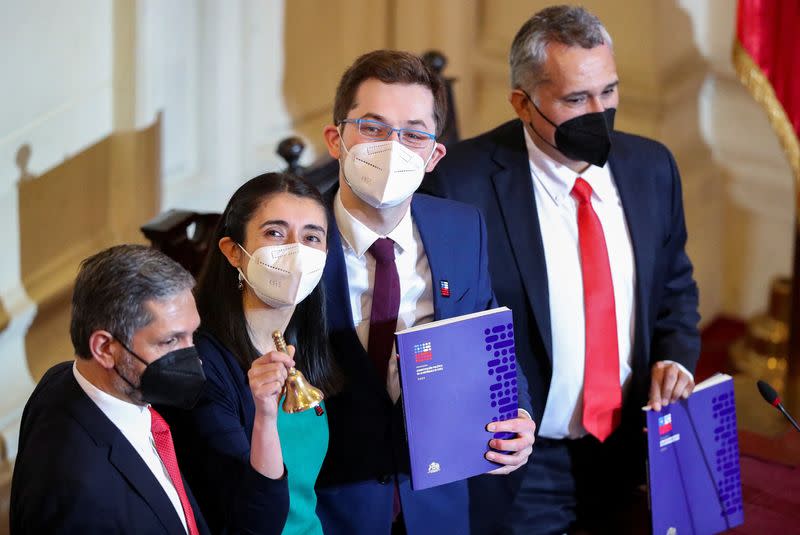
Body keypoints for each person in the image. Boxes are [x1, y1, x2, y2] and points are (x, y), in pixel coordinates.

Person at [424, 5, 701, 534]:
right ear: (522, 104)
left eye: (609, 91)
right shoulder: (461, 186)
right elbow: (442, 330)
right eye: (577, 99)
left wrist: (676, 359)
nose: (600, 112)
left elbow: (675, 287)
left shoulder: (653, 168)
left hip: (630, 447)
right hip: (523, 462)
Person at [314, 50, 536, 535]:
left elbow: (485, 334)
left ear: (433, 155)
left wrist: (515, 411)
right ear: (337, 139)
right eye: (372, 128)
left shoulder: (462, 227)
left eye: (413, 134)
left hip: (437, 502)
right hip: (326, 508)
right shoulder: (295, 238)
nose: (392, 147)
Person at [10, 244, 289, 535]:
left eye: (192, 335)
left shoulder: (64, 379)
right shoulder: (82, 497)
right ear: (105, 348)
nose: (195, 357)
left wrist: (265, 416)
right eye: (170, 342)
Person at [162, 172, 341, 535]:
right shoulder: (201, 364)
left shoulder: (306, 337)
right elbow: (247, 516)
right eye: (275, 233)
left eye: (311, 237)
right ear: (233, 252)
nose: (296, 251)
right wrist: (263, 415)